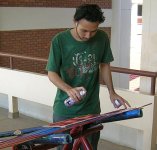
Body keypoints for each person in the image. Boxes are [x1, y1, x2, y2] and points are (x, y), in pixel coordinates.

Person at [46, 3, 131, 150]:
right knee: (64, 148)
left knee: (90, 147)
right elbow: (51, 73)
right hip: (65, 110)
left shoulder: (102, 38)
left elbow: (104, 65)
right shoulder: (59, 40)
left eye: (93, 31)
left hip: (91, 109)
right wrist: (68, 89)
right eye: (84, 30)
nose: (88, 36)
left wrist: (112, 92)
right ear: (75, 21)